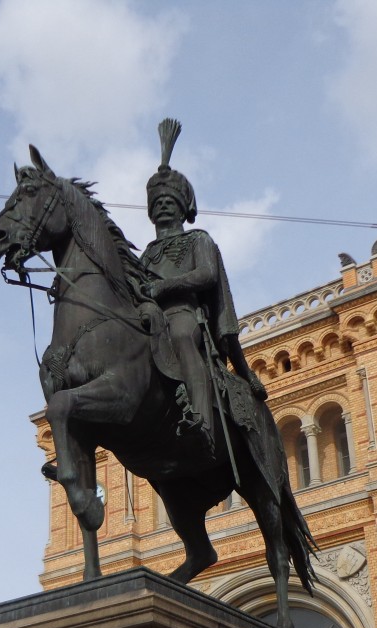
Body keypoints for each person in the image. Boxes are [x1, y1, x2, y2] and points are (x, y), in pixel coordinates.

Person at [140, 118, 266, 451]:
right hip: (149, 319)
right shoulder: (147, 254)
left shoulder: (198, 240)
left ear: (183, 209)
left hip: (184, 313)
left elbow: (206, 276)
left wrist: (164, 289)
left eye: (171, 201)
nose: (164, 205)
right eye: (158, 202)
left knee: (180, 335)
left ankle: (202, 420)